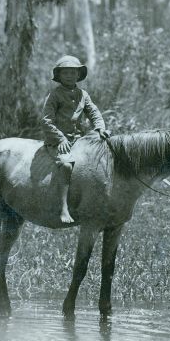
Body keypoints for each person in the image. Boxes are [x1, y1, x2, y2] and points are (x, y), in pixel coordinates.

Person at [42, 55, 109, 223]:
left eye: (73, 72)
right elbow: (46, 120)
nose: (69, 76)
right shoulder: (54, 95)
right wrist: (60, 138)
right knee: (66, 165)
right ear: (59, 76)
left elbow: (93, 112)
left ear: (78, 75)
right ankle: (63, 207)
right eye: (65, 73)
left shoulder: (83, 94)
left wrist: (100, 127)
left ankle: (96, 199)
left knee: (102, 156)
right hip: (58, 140)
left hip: (79, 139)